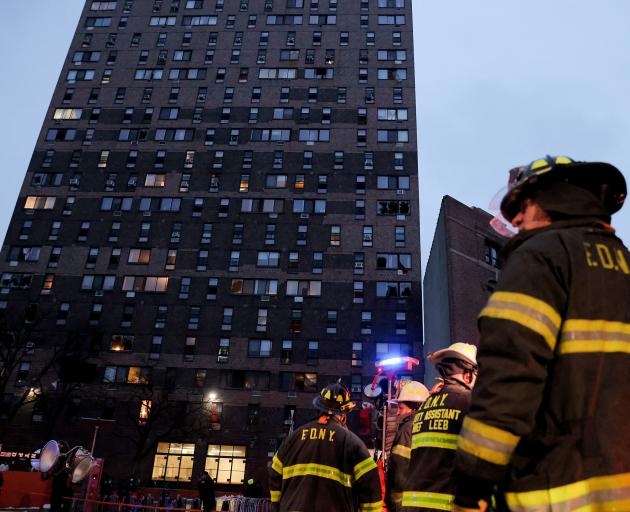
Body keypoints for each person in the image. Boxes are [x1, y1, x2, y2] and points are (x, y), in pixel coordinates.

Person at [453, 155, 629, 511]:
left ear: (551, 198)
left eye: (523, 205)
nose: (516, 219)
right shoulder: (623, 262)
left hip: (551, 489)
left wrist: (472, 483)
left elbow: (509, 378)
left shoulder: (539, 257)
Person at [269, 381, 382, 512]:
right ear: (343, 414)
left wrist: (278, 506)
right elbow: (371, 488)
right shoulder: (352, 443)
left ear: (319, 408)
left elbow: (274, 473)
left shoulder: (293, 438)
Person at [401, 343, 478, 511]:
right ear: (467, 375)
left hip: (413, 504)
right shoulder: (469, 402)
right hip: (446, 505)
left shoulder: (425, 405)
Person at [385, 381, 430, 512]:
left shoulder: (407, 429)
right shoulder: (427, 426)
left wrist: (394, 503)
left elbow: (399, 469)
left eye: (401, 408)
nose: (398, 413)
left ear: (414, 408)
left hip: (403, 502)